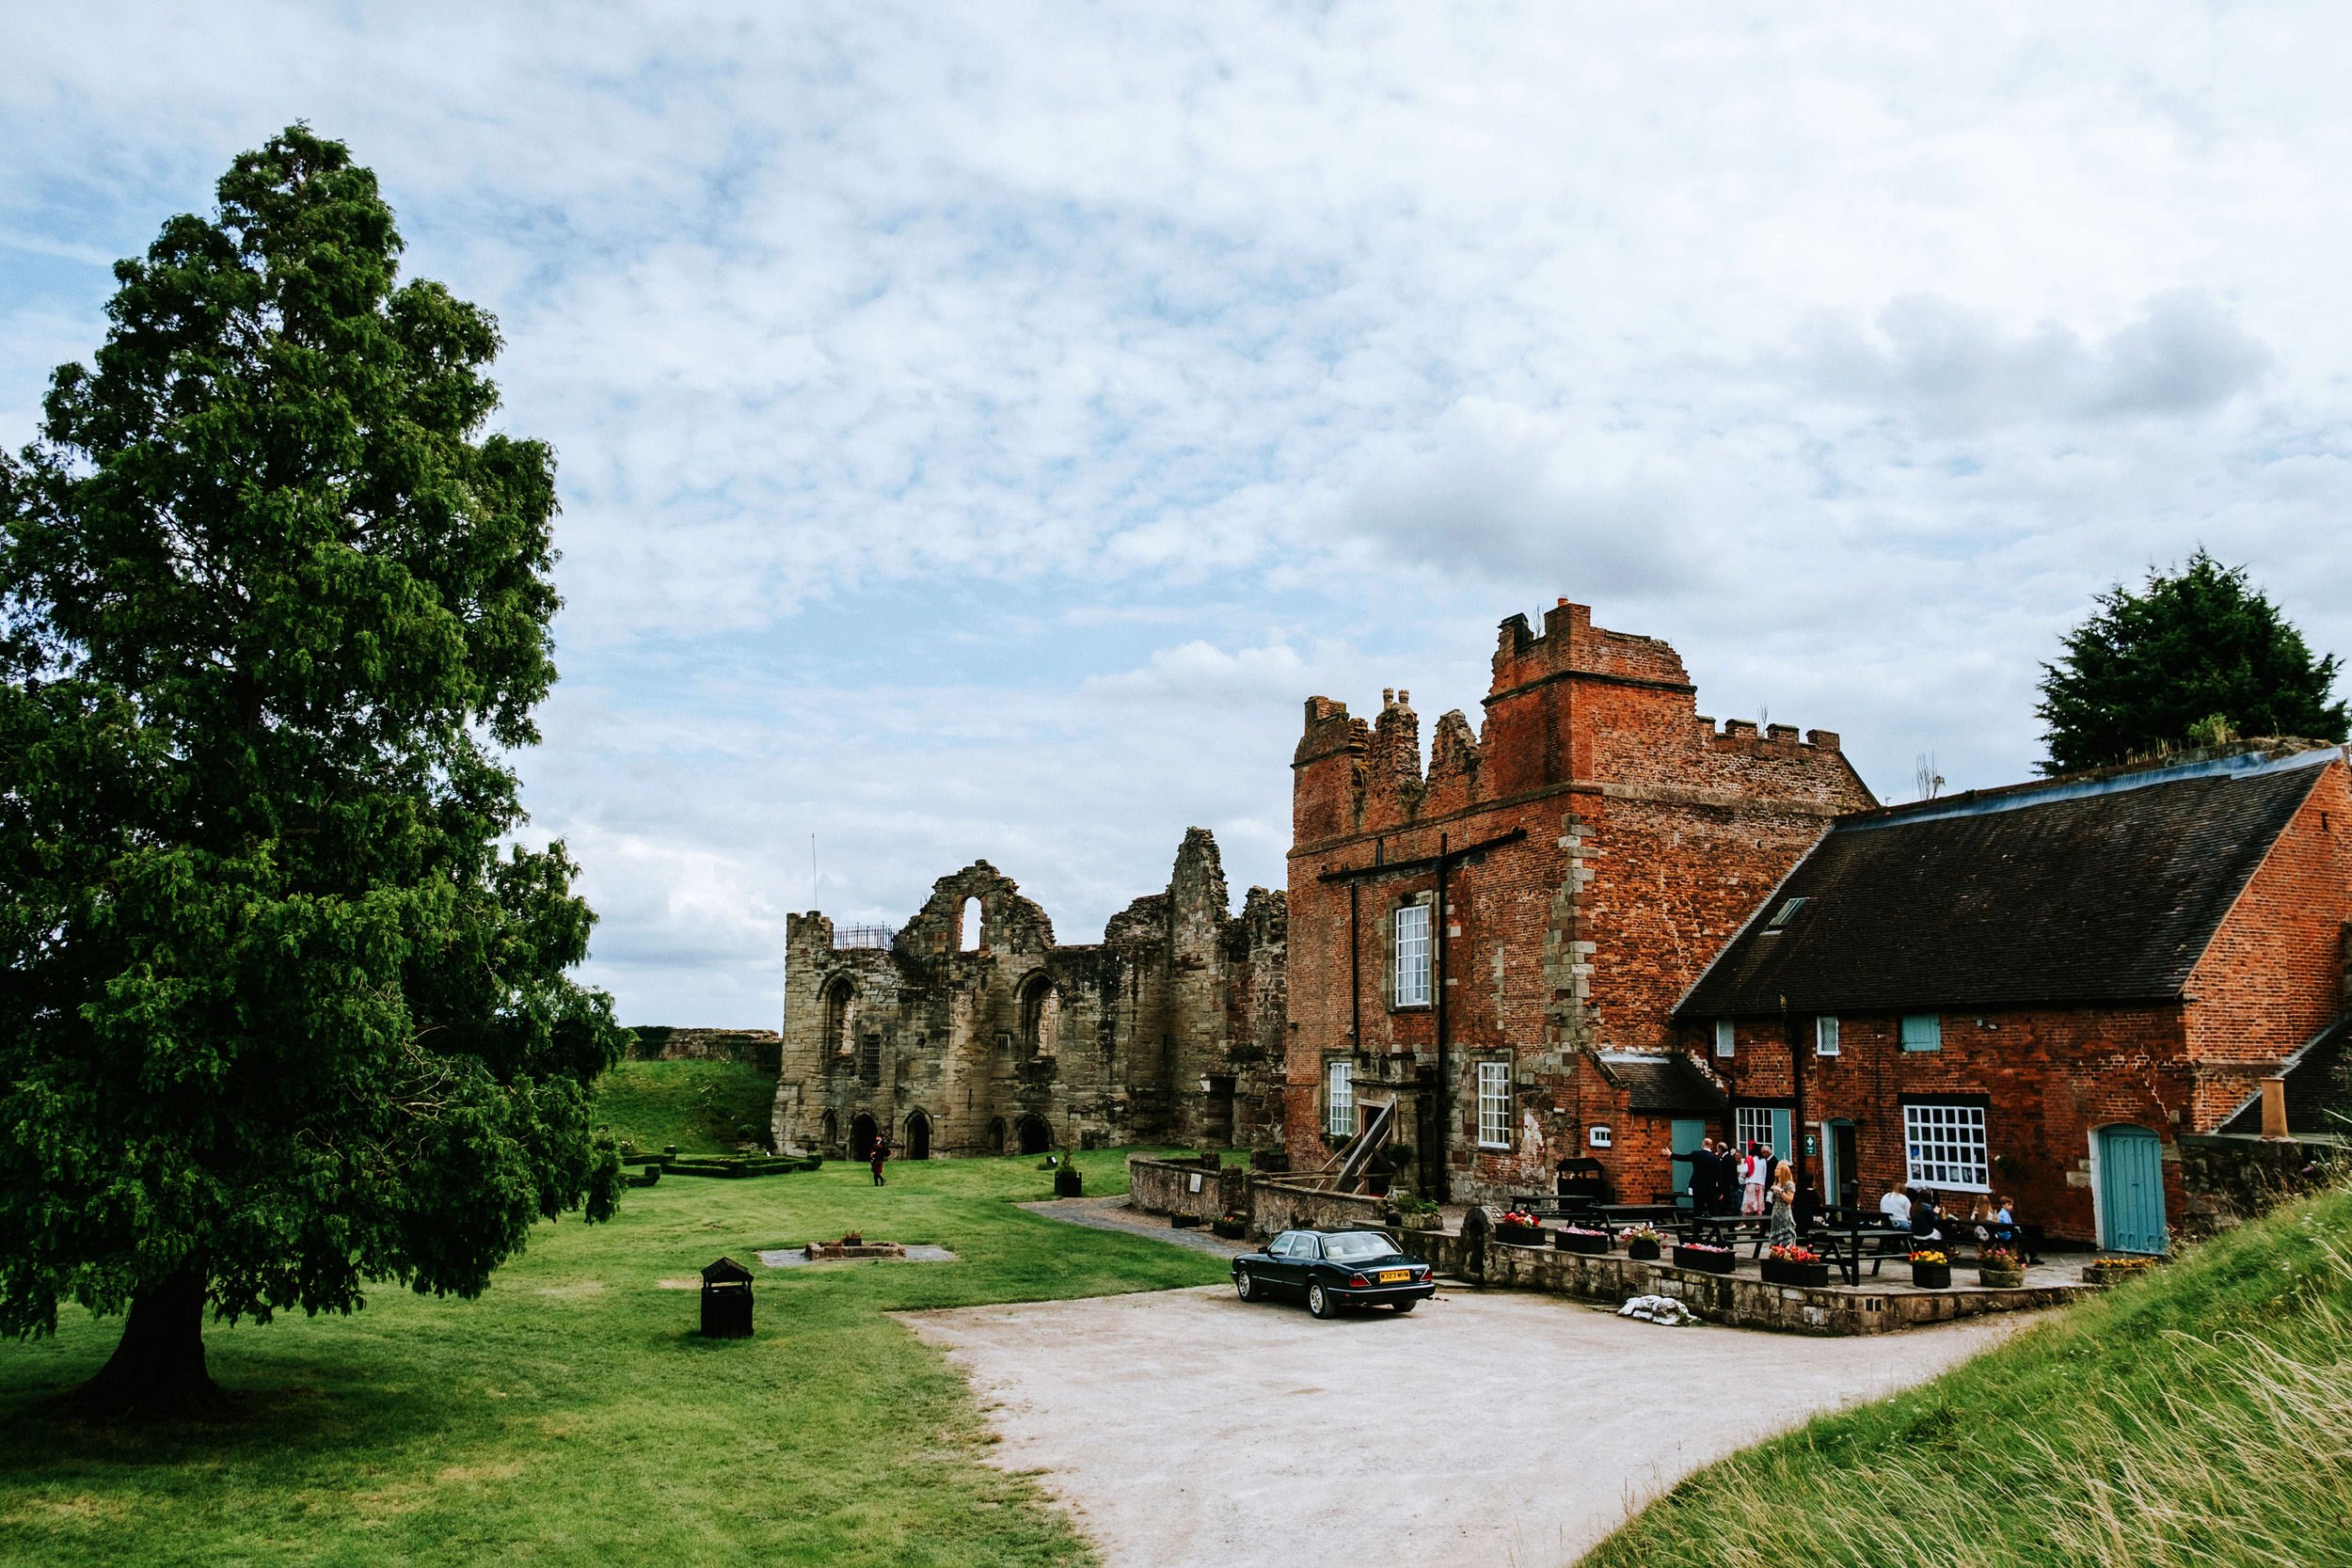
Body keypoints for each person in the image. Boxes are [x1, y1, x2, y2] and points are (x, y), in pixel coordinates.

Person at [1767, 1160, 1799, 1249]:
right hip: (1776, 1212)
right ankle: (1776, 1250)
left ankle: (1786, 1251)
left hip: (1785, 1212)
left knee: (1786, 1233)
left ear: (1783, 1171)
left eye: (1778, 1169)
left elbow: (1789, 1200)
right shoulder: (1776, 1183)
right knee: (1775, 1231)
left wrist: (1780, 1191)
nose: (1775, 1171)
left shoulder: (1789, 1184)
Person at [1740, 1142, 1770, 1216]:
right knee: (1759, 1204)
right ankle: (1757, 1223)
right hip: (1761, 1184)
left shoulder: (1749, 1158)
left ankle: (1743, 1222)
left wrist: (1744, 1176)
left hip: (1751, 1182)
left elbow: (1744, 1170)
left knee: (1747, 1203)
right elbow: (1765, 1173)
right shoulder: (1763, 1160)